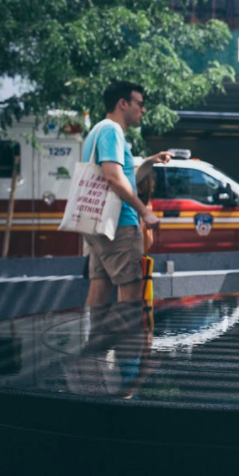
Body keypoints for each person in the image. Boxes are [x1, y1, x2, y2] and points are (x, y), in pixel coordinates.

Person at [83, 81, 172, 307]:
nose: (143, 110)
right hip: (120, 224)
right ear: (123, 104)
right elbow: (113, 178)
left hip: (99, 224)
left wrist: (149, 162)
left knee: (99, 289)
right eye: (139, 104)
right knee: (130, 295)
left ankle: (95, 342)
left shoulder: (97, 130)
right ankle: (127, 342)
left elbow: (124, 178)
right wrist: (144, 212)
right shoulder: (113, 131)